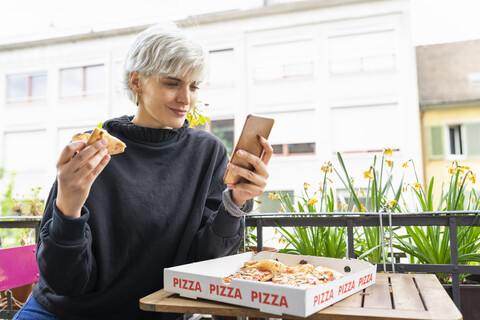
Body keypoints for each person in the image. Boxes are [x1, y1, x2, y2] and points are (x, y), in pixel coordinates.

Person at [14, 22, 272, 320]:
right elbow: (65, 281)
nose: (186, 99)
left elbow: (203, 265)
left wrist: (235, 203)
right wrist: (68, 207)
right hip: (65, 313)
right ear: (136, 81)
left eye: (194, 86)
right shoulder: (93, 151)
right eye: (172, 83)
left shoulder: (207, 152)